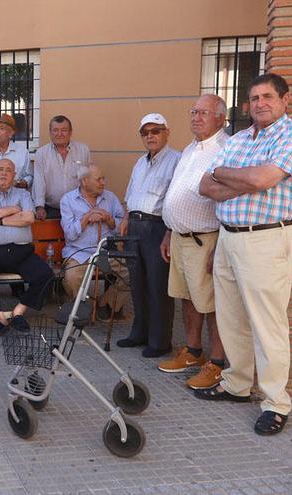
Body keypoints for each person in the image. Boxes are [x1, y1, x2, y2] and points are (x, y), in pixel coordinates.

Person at [196, 73, 292, 436]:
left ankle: (276, 402)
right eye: (253, 98)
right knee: (231, 317)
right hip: (229, 239)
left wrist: (229, 176)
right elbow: (205, 185)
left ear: (285, 100)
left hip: (267, 240)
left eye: (267, 96)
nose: (260, 103)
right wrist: (240, 179)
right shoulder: (242, 139)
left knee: (267, 323)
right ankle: (236, 384)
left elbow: (263, 179)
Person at [158, 95, 229, 390]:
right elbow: (178, 193)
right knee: (186, 298)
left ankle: (218, 362)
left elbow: (229, 199)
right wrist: (168, 231)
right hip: (179, 237)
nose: (196, 117)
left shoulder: (227, 148)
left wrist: (221, 245)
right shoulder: (189, 149)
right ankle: (193, 351)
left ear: (221, 119)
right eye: (194, 112)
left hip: (207, 240)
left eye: (204, 113)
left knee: (212, 305)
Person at [116, 113, 180, 358]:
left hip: (157, 226)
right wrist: (125, 218)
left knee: (158, 286)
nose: (150, 136)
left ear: (166, 132)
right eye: (145, 132)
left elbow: (174, 200)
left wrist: (170, 232)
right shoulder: (140, 163)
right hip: (135, 226)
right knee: (138, 284)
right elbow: (130, 195)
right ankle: (139, 333)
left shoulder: (176, 160)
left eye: (156, 131)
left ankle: (160, 341)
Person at [0, 158, 54, 338]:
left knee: (45, 275)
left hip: (21, 252)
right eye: (0, 169)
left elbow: (28, 218)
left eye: (8, 170)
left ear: (14, 175)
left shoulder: (23, 195)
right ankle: (0, 319)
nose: (4, 173)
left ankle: (18, 313)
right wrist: (13, 210)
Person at [59, 163, 127, 319]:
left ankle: (105, 303)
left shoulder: (110, 197)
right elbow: (69, 234)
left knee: (132, 272)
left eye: (103, 179)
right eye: (99, 179)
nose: (103, 182)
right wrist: (86, 218)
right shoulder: (68, 200)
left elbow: (121, 226)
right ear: (84, 181)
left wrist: (109, 219)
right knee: (71, 278)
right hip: (79, 253)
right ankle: (81, 307)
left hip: (106, 252)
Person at [32, 115, 93, 220]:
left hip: (78, 208)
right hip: (51, 208)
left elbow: (89, 179)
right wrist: (39, 207)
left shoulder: (83, 150)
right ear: (50, 132)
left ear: (70, 132)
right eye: (55, 130)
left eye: (64, 130)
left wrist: (91, 204)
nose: (59, 134)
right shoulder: (41, 153)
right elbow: (39, 182)